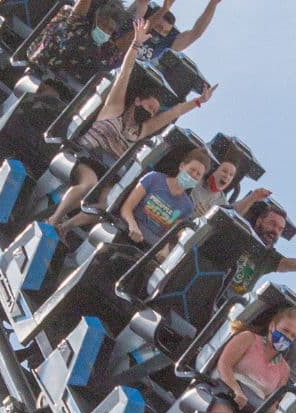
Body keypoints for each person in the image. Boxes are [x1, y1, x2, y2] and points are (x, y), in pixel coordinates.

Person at [47, 20, 217, 235]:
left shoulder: (140, 131)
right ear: (137, 101)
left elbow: (173, 114)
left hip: (107, 174)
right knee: (88, 184)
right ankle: (54, 219)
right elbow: (124, 74)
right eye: (149, 106)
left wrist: (198, 102)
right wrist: (135, 45)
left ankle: (65, 228)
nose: (151, 113)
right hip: (85, 157)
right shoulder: (115, 107)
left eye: (154, 111)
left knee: (109, 203)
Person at [210, 304, 296, 413]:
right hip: (225, 391)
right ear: (272, 326)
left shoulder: (284, 369)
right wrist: (236, 390)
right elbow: (224, 364)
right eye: (285, 330)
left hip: (253, 409)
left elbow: (271, 401)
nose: (287, 337)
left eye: (292, 335)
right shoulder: (248, 338)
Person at [119, 148, 210, 247]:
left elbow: (171, 232)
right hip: (127, 230)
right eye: (192, 169)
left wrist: (164, 248)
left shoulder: (187, 206)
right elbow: (126, 208)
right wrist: (132, 225)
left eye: (198, 174)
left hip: (150, 247)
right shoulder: (153, 178)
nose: (193, 175)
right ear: (182, 166)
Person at [28, 0, 131, 85]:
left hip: (68, 94)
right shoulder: (75, 25)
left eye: (110, 30)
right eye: (103, 24)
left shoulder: (106, 49)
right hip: (39, 74)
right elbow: (78, 13)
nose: (105, 31)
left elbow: (127, 42)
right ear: (95, 18)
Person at [126, 0, 223, 64]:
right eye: (158, 27)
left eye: (165, 32)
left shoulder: (166, 42)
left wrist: (213, 4)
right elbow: (142, 3)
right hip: (116, 53)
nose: (160, 32)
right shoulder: (139, 18)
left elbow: (195, 33)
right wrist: (164, 8)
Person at [188, 162, 268, 217]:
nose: (227, 176)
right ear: (215, 170)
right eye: (224, 171)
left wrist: (252, 198)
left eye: (231, 175)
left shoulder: (221, 201)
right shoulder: (196, 179)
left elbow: (233, 212)